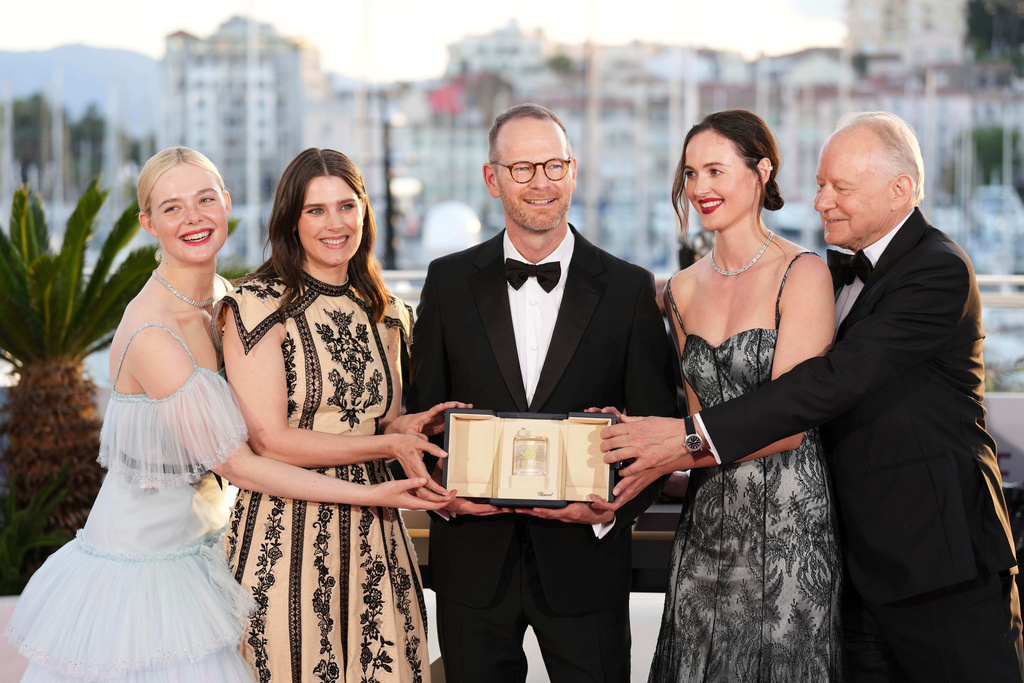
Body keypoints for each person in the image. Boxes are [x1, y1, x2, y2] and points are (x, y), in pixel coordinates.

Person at [601, 111, 1024, 682]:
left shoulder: (936, 271)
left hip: (939, 564)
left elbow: (825, 385)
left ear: (901, 190)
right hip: (851, 560)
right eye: (821, 184)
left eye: (839, 188)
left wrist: (684, 441)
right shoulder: (829, 271)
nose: (821, 201)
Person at [3, 147, 448, 683]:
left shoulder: (224, 300)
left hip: (213, 544)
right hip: (147, 564)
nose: (193, 218)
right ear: (147, 223)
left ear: (227, 204)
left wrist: (397, 426)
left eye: (205, 199)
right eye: (171, 208)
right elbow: (241, 461)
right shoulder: (153, 330)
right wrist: (374, 488)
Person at [406, 103, 678, 683]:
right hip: (471, 562)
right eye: (523, 168)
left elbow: (658, 429)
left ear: (573, 171)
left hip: (586, 563)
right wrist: (440, 498)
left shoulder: (629, 288)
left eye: (554, 166)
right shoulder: (447, 281)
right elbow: (420, 415)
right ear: (492, 177)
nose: (541, 183)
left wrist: (609, 512)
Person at [218, 147, 460, 683]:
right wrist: (388, 444)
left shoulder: (389, 311)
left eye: (346, 206)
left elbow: (384, 419)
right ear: (290, 220)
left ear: (365, 212)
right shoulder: (254, 307)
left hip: (377, 534)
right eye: (316, 210)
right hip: (284, 539)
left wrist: (412, 429)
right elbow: (271, 442)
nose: (335, 223)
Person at [629, 109, 841, 680]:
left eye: (716, 171)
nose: (700, 188)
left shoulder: (803, 272)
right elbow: (698, 411)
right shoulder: (678, 289)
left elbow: (790, 421)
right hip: (707, 527)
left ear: (761, 172)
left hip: (789, 526)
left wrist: (669, 449)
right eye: (691, 173)